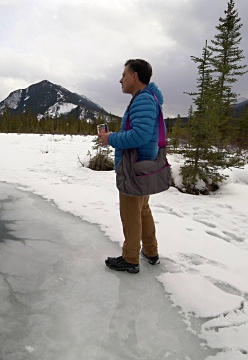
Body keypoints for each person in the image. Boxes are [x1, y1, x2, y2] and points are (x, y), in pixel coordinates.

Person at [98, 59, 163, 274]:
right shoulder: (147, 98)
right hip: (143, 166)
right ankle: (151, 251)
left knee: (130, 213)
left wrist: (111, 138)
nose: (120, 79)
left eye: (124, 75)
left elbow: (139, 135)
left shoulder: (143, 100)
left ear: (135, 76)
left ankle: (130, 258)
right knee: (142, 210)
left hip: (134, 168)